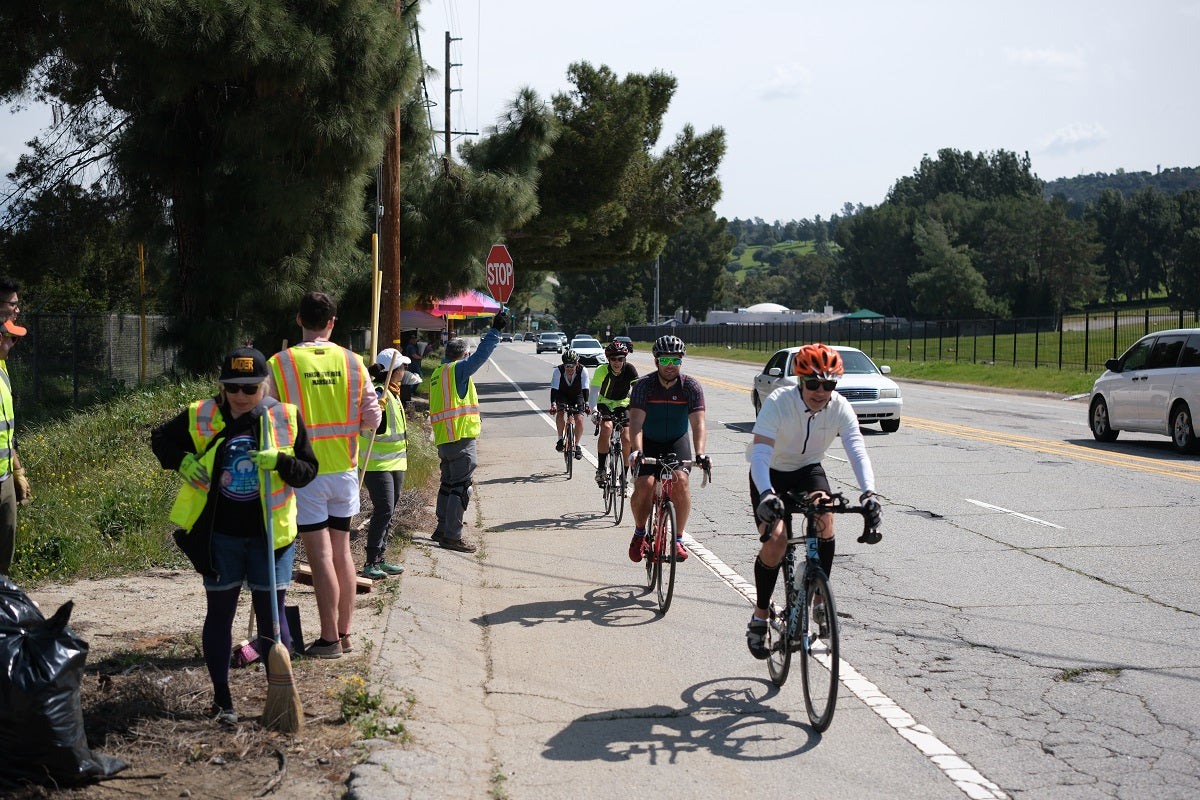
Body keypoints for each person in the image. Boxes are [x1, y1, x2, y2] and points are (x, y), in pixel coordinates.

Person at [151, 347, 318, 723]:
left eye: (250, 388)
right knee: (219, 615)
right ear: (222, 387)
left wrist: (281, 462)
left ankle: (279, 701)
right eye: (232, 388)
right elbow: (161, 438)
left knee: (272, 620)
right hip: (219, 537)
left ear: (264, 385)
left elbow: (308, 470)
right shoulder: (203, 414)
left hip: (270, 539)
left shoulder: (284, 417)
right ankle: (222, 700)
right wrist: (184, 461)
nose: (241, 396)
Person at [744, 343, 882, 660]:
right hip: (770, 473)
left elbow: (857, 451)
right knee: (777, 539)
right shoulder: (779, 402)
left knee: (826, 515)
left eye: (829, 385)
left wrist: (869, 495)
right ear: (800, 381)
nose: (821, 392)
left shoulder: (840, 407)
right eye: (814, 384)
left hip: (808, 470)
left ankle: (818, 597)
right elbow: (761, 454)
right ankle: (761, 614)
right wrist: (766, 494)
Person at [268, 291, 381, 659]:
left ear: (298, 319)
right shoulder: (353, 362)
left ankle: (329, 638)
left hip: (305, 473)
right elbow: (372, 419)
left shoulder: (279, 364)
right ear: (332, 322)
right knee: (342, 552)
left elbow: (266, 417)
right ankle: (345, 634)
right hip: (345, 470)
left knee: (319, 557)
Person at [429, 308, 508, 553]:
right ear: (464, 355)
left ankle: (441, 529)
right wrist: (495, 330)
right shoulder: (458, 370)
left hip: (444, 441)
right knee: (461, 487)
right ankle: (452, 536)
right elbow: (482, 355)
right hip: (461, 439)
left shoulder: (436, 373)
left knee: (447, 484)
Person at [627, 335, 710, 564]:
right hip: (649, 441)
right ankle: (640, 534)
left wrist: (700, 453)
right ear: (656, 362)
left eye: (675, 360)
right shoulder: (644, 385)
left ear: (681, 362)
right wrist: (637, 450)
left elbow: (698, 423)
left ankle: (678, 540)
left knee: (680, 481)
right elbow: (636, 423)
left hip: (676, 440)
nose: (670, 365)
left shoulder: (690, 386)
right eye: (665, 361)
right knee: (645, 485)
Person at [358, 348, 410, 580]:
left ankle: (381, 557)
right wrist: (375, 414)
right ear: (392, 371)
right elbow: (372, 428)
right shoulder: (378, 393)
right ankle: (370, 561)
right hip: (376, 465)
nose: (404, 371)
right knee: (384, 509)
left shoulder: (395, 394)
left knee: (389, 511)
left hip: (396, 463)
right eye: (401, 367)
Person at [0, 318, 31, 574]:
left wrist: (17, 470)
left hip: (4, 476)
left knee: (4, 554)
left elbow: (6, 432)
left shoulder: (3, 370)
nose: (14, 344)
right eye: (12, 338)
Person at [591, 340, 639, 488]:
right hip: (604, 403)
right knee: (606, 428)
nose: (617, 362)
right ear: (608, 360)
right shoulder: (601, 370)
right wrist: (594, 410)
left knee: (626, 437)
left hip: (623, 403)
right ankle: (601, 469)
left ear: (625, 359)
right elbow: (593, 393)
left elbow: (637, 392)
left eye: (620, 359)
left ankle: (623, 473)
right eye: (613, 359)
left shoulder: (630, 369)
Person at [549, 349, 590, 461]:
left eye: (572, 365)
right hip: (562, 394)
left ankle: (577, 445)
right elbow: (554, 388)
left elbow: (585, 388)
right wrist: (553, 404)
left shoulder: (583, 371)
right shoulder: (558, 371)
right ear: (563, 365)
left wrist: (586, 404)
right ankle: (560, 439)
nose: (570, 368)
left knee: (579, 419)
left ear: (577, 363)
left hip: (578, 395)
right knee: (560, 412)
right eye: (567, 366)